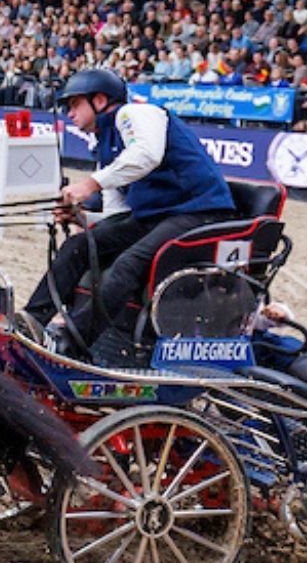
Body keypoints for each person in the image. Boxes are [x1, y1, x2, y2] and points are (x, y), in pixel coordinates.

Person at [22, 67, 238, 366]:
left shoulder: (135, 114)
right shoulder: (106, 142)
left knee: (128, 265)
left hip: (198, 212)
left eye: (74, 105)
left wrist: (89, 184)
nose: (69, 113)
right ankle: (31, 323)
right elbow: (117, 213)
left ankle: (72, 344)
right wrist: (81, 218)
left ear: (99, 100)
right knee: (80, 245)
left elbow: (146, 155)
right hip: (157, 218)